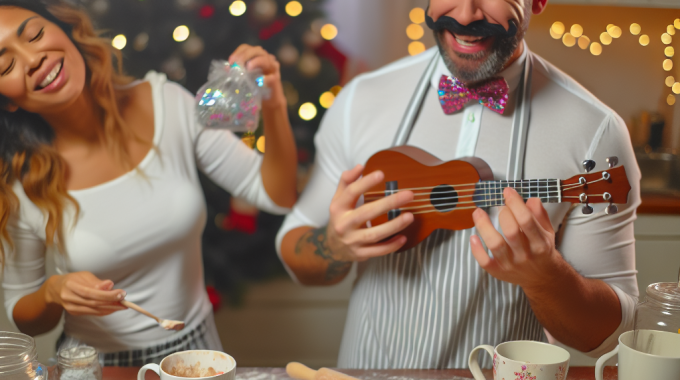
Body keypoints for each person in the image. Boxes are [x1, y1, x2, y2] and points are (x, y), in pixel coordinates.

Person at [276, 0, 640, 369]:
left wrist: (546, 278)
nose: (466, 15)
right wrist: (334, 245)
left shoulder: (595, 131)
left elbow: (607, 337)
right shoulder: (360, 100)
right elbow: (294, 250)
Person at [0, 0, 297, 365]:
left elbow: (275, 193)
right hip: (93, 366)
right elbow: (22, 312)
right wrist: (52, 292)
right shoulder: (20, 182)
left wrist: (274, 101)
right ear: (6, 101)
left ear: (65, 31)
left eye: (35, 34)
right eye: (6, 64)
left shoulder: (168, 104)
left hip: (198, 352)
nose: (33, 59)